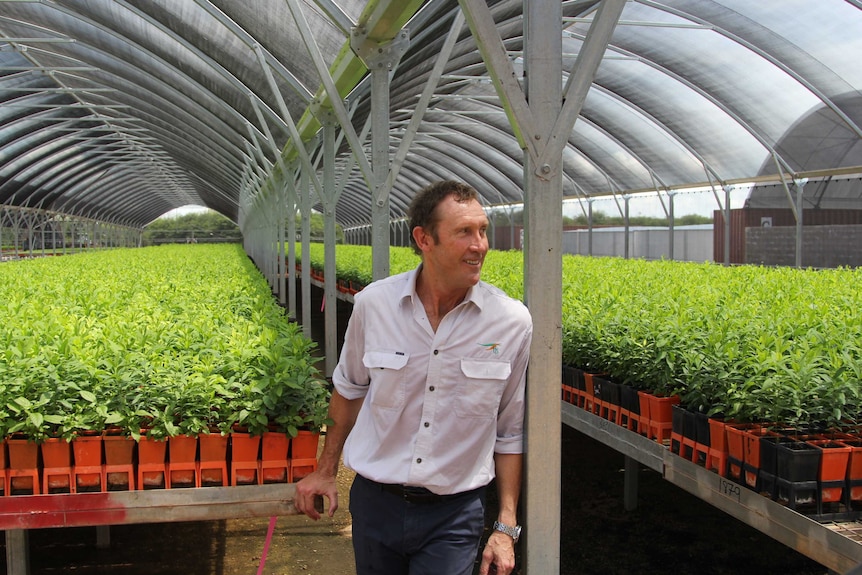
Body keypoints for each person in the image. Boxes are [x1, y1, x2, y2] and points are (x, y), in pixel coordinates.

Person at [295, 180, 533, 575]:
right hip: (376, 503)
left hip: (455, 513)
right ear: (424, 239)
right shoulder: (375, 304)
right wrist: (325, 470)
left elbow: (509, 431)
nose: (480, 245)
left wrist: (505, 527)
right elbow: (349, 390)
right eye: (464, 232)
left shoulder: (510, 322)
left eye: (483, 230)